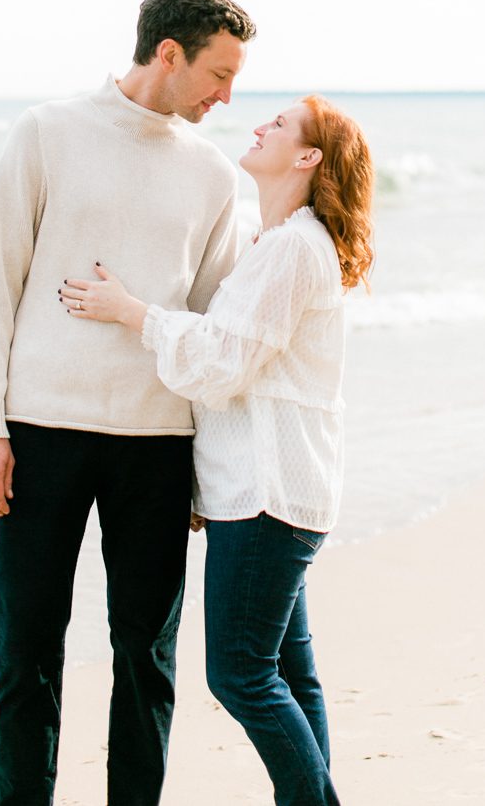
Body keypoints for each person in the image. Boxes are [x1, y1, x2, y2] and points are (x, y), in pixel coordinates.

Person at [0, 0, 256, 806]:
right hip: (39, 433)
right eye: (218, 75)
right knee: (24, 653)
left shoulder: (212, 173)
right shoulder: (47, 133)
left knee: (147, 659)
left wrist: (211, 462)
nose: (227, 98)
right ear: (168, 53)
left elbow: (207, 325)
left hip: (159, 449)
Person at [59, 94, 375, 805]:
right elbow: (239, 370)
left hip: (267, 498)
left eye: (281, 124)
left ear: (307, 158)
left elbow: (224, 365)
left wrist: (132, 312)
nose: (260, 124)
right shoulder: (280, 244)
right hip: (273, 493)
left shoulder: (293, 249)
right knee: (287, 676)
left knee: (240, 674)